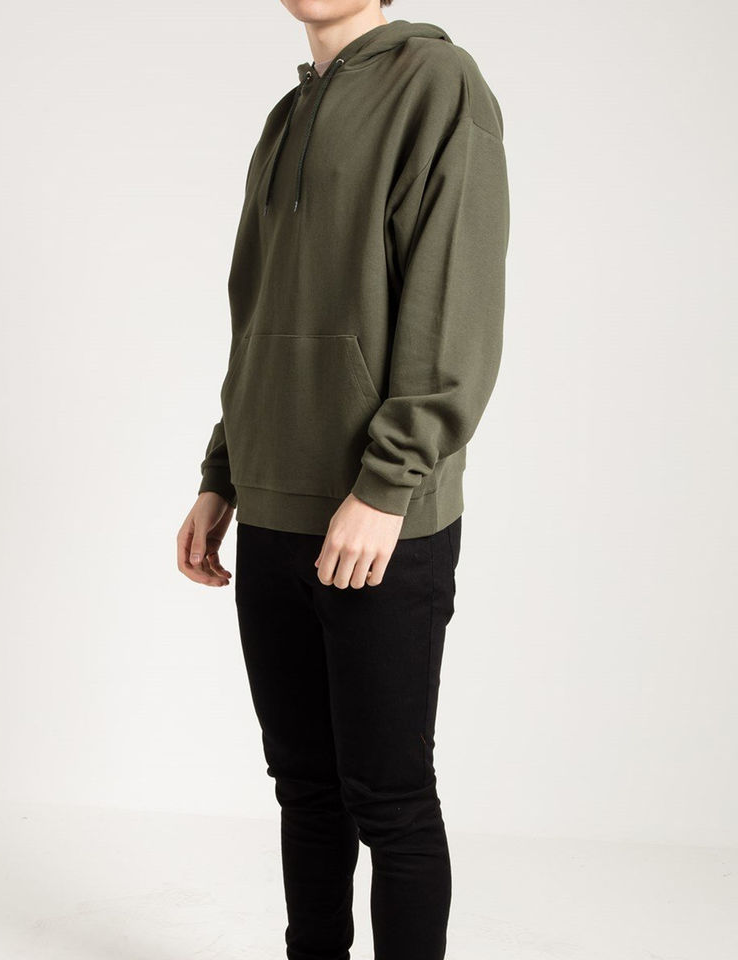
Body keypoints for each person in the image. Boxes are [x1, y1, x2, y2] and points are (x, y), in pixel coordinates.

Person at [177, 1, 509, 957]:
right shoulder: (286, 118)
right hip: (273, 503)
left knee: (390, 800)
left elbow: (453, 305)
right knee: (305, 791)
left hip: (380, 520)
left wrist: (387, 484)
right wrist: (223, 471)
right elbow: (257, 310)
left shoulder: (439, 85)